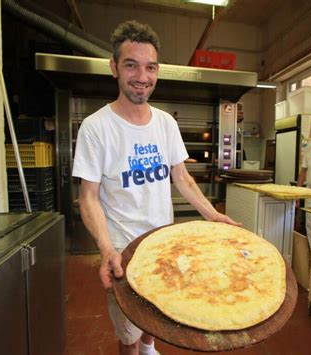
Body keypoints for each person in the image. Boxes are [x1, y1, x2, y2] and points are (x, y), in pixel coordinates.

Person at [72, 20, 239, 355]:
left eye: (150, 67)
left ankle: (149, 349)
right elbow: (87, 198)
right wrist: (106, 250)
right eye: (131, 65)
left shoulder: (166, 123)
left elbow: (182, 177)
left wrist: (212, 215)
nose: (142, 77)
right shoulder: (96, 127)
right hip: (124, 251)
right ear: (114, 68)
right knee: (129, 334)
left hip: (164, 244)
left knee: (158, 317)